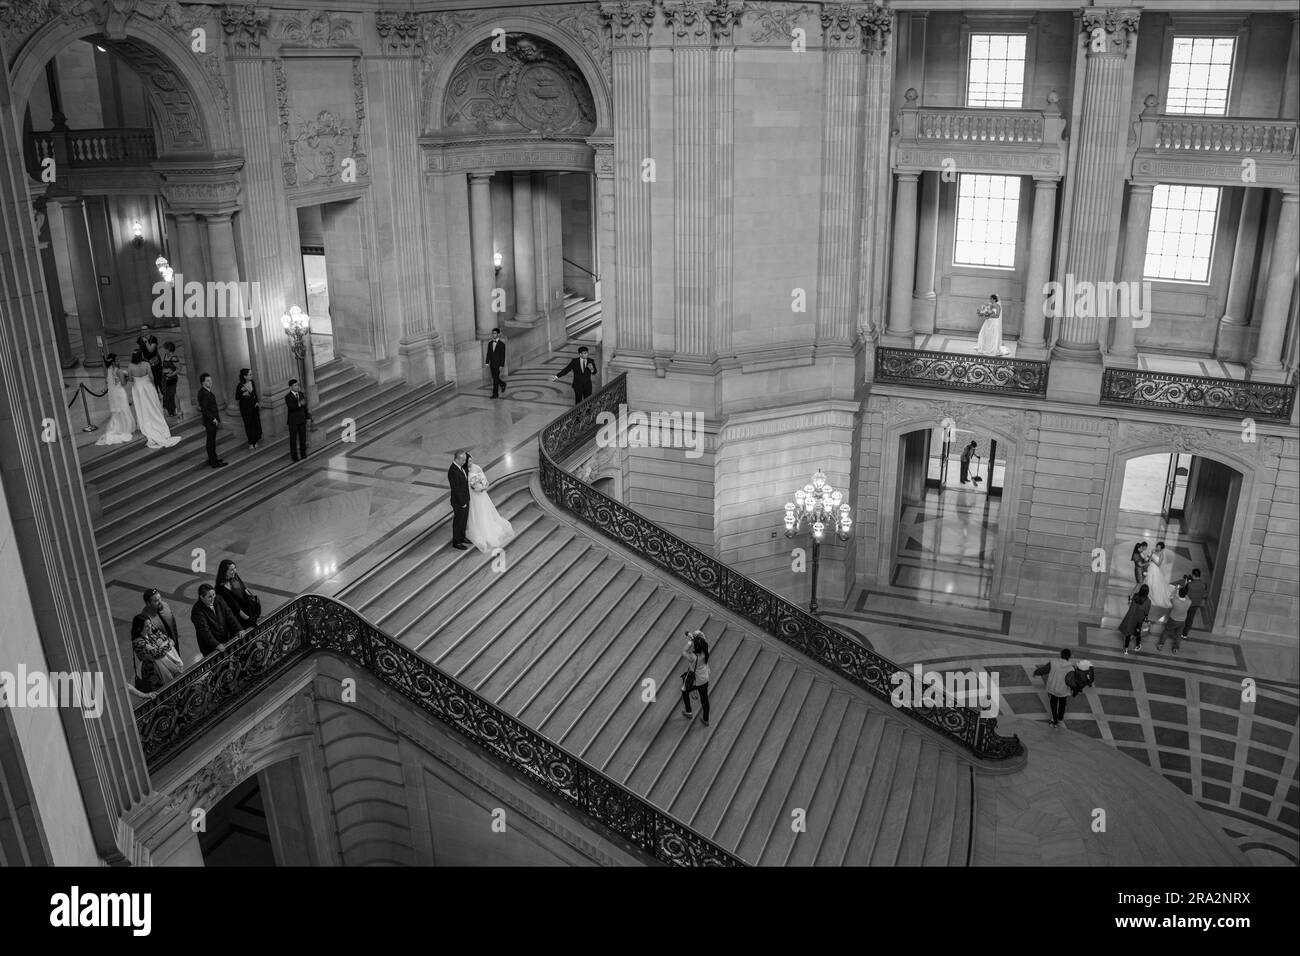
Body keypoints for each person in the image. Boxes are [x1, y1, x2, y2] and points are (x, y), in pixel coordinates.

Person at [130, 588, 184, 691]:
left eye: (159, 599)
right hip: (154, 672)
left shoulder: (165, 607)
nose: (160, 602)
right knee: (164, 691)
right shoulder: (139, 641)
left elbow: (163, 634)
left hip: (169, 655)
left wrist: (168, 642)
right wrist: (168, 644)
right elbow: (156, 652)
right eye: (155, 601)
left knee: (176, 681)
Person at [128, 349, 180, 449]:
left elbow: (130, 379)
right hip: (147, 386)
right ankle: (157, 421)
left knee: (142, 406)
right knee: (152, 405)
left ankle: (144, 423)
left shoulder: (130, 366)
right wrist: (152, 386)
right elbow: (152, 377)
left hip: (138, 388)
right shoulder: (146, 364)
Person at [465, 459, 516, 553]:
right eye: (468, 461)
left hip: (481, 494)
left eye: (471, 460)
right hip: (472, 495)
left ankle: (486, 528)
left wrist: (482, 486)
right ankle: (478, 527)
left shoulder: (477, 467)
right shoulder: (463, 470)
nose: (470, 463)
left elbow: (484, 478)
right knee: (475, 512)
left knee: (483, 510)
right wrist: (474, 487)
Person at [94, 353, 136, 445]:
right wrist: (127, 377)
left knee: (118, 411)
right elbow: (124, 383)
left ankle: (119, 426)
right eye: (117, 360)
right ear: (113, 362)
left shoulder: (109, 370)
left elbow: (109, 381)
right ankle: (125, 428)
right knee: (124, 409)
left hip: (113, 393)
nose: (119, 361)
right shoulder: (119, 371)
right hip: (120, 392)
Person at [191, 583, 242, 657]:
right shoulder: (197, 611)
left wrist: (239, 629)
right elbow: (205, 631)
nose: (213, 598)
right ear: (201, 597)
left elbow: (229, 615)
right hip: (211, 647)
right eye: (210, 597)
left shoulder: (218, 599)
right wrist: (216, 645)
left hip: (225, 639)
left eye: (214, 595)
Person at [1034, 648, 1076, 727]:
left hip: (1052, 688)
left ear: (1061, 655)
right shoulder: (1071, 668)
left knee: (1053, 704)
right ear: (1069, 656)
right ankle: (1060, 718)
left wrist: (1036, 672)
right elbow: (1072, 681)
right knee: (1062, 704)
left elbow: (1043, 670)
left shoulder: (1053, 663)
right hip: (1063, 690)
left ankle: (1054, 720)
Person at [215, 558, 261, 628]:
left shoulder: (235, 577)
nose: (234, 571)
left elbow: (244, 589)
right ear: (224, 571)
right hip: (240, 618)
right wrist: (248, 619)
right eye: (231, 570)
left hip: (248, 610)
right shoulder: (221, 589)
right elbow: (235, 607)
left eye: (235, 568)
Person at [680, 630, 712, 727]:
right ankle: (706, 719)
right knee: (704, 700)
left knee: (684, 691)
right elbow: (703, 639)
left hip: (696, 680)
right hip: (705, 678)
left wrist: (690, 641)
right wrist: (695, 637)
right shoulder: (706, 651)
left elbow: (683, 651)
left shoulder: (693, 657)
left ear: (695, 646)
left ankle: (689, 711)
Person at [197, 373, 226, 468]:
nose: (211, 382)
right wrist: (213, 418)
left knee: (212, 441)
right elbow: (204, 409)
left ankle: (214, 459)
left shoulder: (206, 391)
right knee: (211, 442)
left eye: (211, 380)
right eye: (208, 380)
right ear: (202, 382)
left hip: (212, 420)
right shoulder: (204, 393)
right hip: (210, 421)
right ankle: (214, 462)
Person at [448, 450, 471, 550]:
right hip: (459, 502)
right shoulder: (453, 471)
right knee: (458, 521)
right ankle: (456, 542)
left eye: (465, 460)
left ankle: (462, 537)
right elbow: (456, 489)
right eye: (462, 460)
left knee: (464, 520)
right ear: (456, 459)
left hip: (465, 499)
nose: (464, 462)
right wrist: (462, 503)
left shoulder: (461, 467)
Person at [1119, 583, 1151, 654]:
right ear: (1147, 592)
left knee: (1128, 633)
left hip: (1131, 618)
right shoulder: (1148, 601)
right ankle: (1137, 646)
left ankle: (1126, 649)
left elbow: (1132, 606)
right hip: (1139, 620)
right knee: (1138, 633)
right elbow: (1146, 612)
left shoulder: (1135, 596)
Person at [1159, 585, 1192, 653]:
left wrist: (1176, 590)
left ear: (1179, 593)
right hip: (1182, 621)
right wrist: (1184, 591)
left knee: (1166, 631)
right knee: (1178, 635)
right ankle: (1175, 649)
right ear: (1186, 594)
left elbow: (1171, 596)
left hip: (1173, 619)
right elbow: (1187, 597)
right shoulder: (1189, 602)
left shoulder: (1175, 601)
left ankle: (1160, 645)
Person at [285, 378, 311, 461]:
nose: (297, 387)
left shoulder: (301, 394)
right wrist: (299, 403)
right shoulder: (288, 397)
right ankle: (294, 457)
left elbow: (305, 407)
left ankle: (303, 454)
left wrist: (308, 417)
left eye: (297, 385)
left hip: (302, 420)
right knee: (293, 440)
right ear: (291, 387)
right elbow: (291, 407)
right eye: (295, 385)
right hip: (293, 422)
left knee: (303, 438)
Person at [236, 368, 262, 449]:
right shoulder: (240, 385)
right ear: (245, 376)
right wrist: (243, 394)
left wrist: (257, 401)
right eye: (250, 374)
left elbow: (255, 394)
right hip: (246, 410)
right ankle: (251, 442)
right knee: (248, 425)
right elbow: (237, 397)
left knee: (255, 424)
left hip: (254, 407)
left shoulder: (252, 382)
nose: (252, 375)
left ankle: (256, 440)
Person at [1181, 568, 1208, 637]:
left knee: (1182, 617)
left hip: (1187, 604)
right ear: (1199, 575)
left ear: (1193, 575)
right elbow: (1205, 595)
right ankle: (1185, 634)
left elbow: (1183, 593)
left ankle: (1179, 631)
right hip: (1195, 604)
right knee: (1190, 619)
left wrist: (1186, 583)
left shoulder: (1189, 584)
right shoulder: (1204, 585)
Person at [485, 328, 507, 399]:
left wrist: (501, 365)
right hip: (492, 364)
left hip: (498, 364)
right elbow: (488, 353)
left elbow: (502, 356)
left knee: (495, 379)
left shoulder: (502, 344)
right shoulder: (490, 343)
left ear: (498, 334)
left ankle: (495, 394)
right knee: (495, 377)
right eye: (493, 333)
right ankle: (502, 384)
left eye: (495, 333)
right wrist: (487, 362)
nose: (493, 335)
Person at [161, 342, 180, 418]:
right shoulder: (166, 356)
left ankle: (179, 411)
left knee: (173, 394)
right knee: (166, 395)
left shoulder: (174, 357)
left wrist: (171, 374)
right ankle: (170, 411)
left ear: (168, 349)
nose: (164, 350)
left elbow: (179, 369)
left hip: (172, 379)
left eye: (165, 349)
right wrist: (164, 370)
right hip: (165, 379)